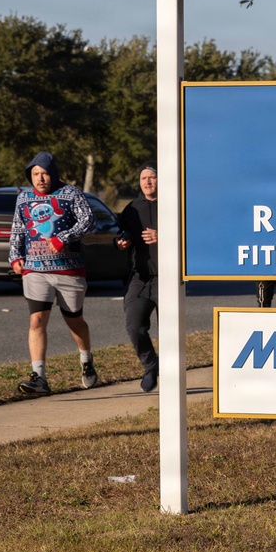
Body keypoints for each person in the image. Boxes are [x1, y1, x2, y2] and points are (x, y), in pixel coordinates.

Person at [8, 151, 98, 396]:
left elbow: (89, 221)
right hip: (35, 270)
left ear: (53, 174)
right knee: (36, 320)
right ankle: (39, 378)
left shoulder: (71, 194)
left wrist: (63, 238)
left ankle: (86, 359)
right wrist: (15, 257)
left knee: (74, 321)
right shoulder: (24, 197)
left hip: (69, 270)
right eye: (35, 174)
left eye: (44, 173)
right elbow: (18, 228)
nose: (40, 179)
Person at [115, 162, 160, 392]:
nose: (148, 182)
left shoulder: (174, 205)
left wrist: (162, 236)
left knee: (170, 329)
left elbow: (191, 235)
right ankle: (151, 365)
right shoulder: (132, 208)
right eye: (144, 178)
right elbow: (121, 233)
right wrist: (120, 241)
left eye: (152, 177)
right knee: (134, 325)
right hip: (140, 278)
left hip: (168, 278)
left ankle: (172, 373)